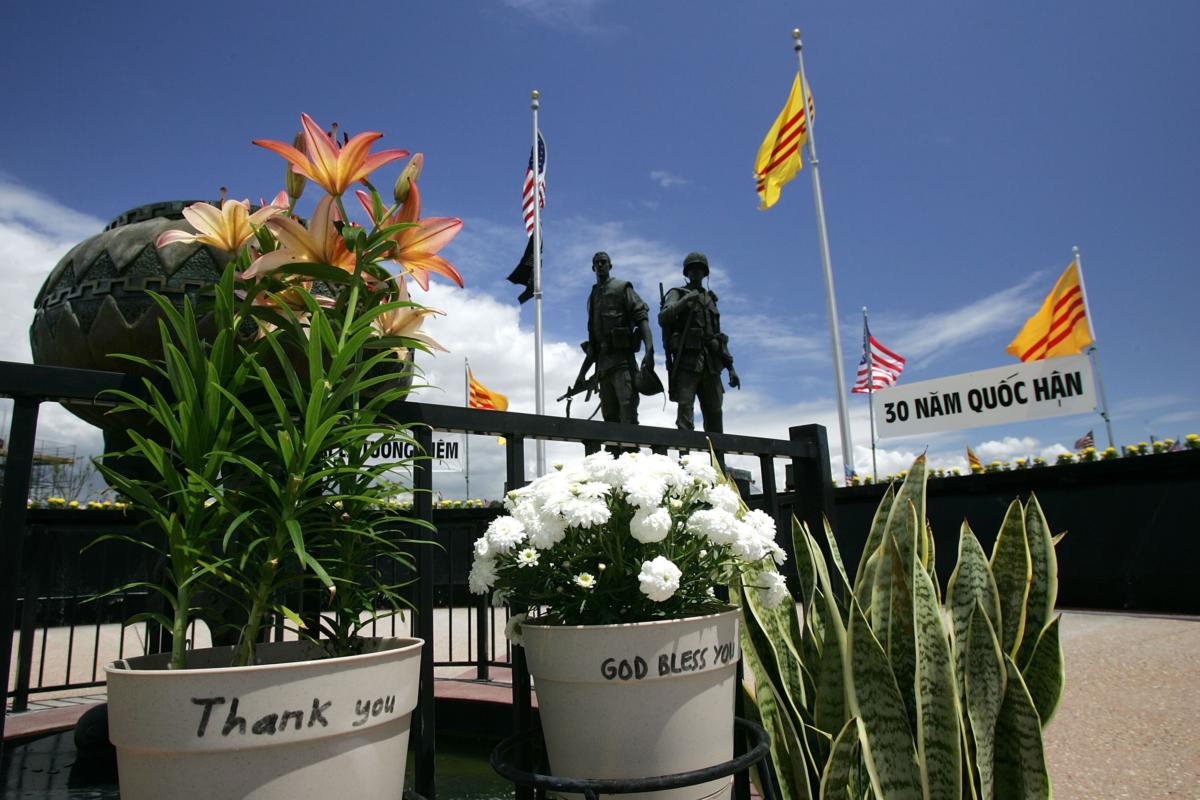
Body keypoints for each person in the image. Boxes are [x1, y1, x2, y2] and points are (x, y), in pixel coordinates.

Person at [659, 251, 739, 432]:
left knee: (715, 411)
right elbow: (663, 317)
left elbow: (719, 337)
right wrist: (686, 300)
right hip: (688, 362)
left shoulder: (710, 300)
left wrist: (731, 368)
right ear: (686, 273)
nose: (695, 272)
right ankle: (684, 459)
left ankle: (717, 458)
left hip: (711, 364)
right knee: (685, 411)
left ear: (705, 273)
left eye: (699, 269)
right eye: (692, 269)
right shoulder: (677, 293)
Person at [575, 251, 655, 424]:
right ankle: (612, 451)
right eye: (597, 263)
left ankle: (631, 451)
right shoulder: (593, 296)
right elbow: (594, 345)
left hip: (622, 364)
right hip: (603, 368)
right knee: (609, 416)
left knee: (627, 410)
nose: (601, 265)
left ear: (610, 266)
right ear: (593, 267)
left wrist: (650, 350)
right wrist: (581, 375)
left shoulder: (622, 287)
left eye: (604, 262)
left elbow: (642, 317)